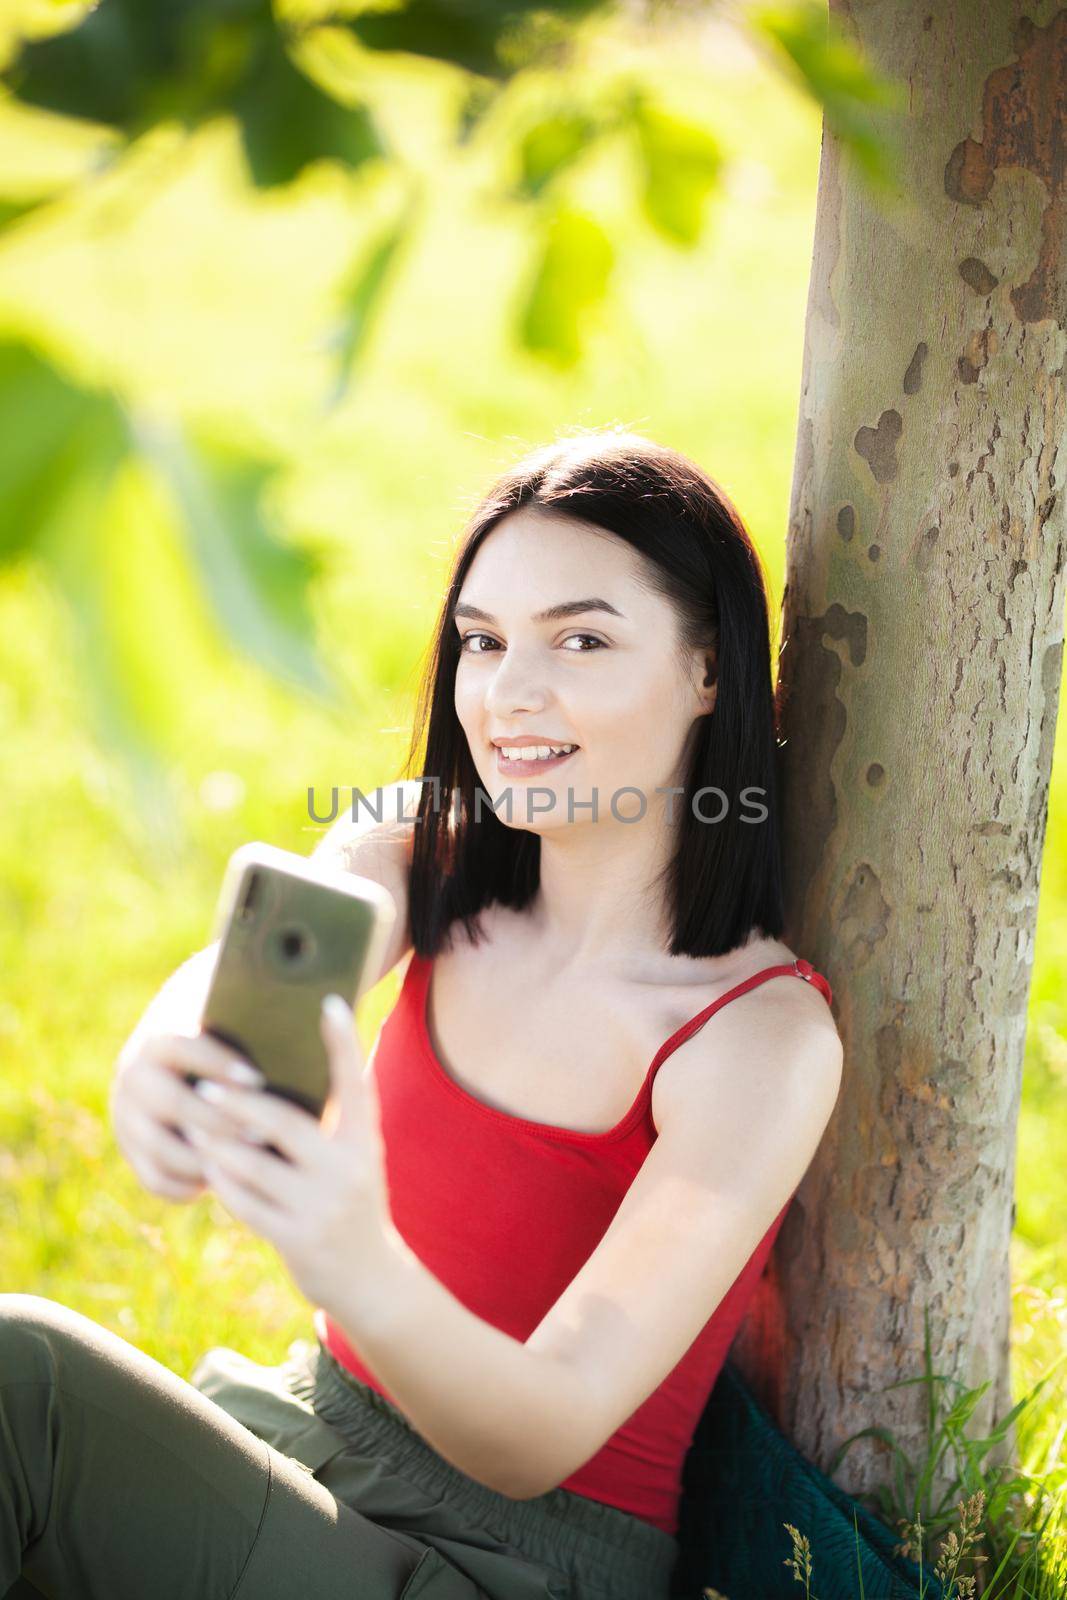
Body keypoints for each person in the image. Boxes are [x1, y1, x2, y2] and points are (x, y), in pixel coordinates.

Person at [1, 429, 843, 1600]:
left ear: (708, 670)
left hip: (504, 1561)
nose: (509, 694)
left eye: (581, 640)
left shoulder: (757, 1040)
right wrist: (174, 1047)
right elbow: (286, 948)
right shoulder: (426, 849)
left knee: (20, 1376)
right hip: (304, 1442)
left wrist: (353, 1256)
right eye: (483, 641)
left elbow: (546, 1427)